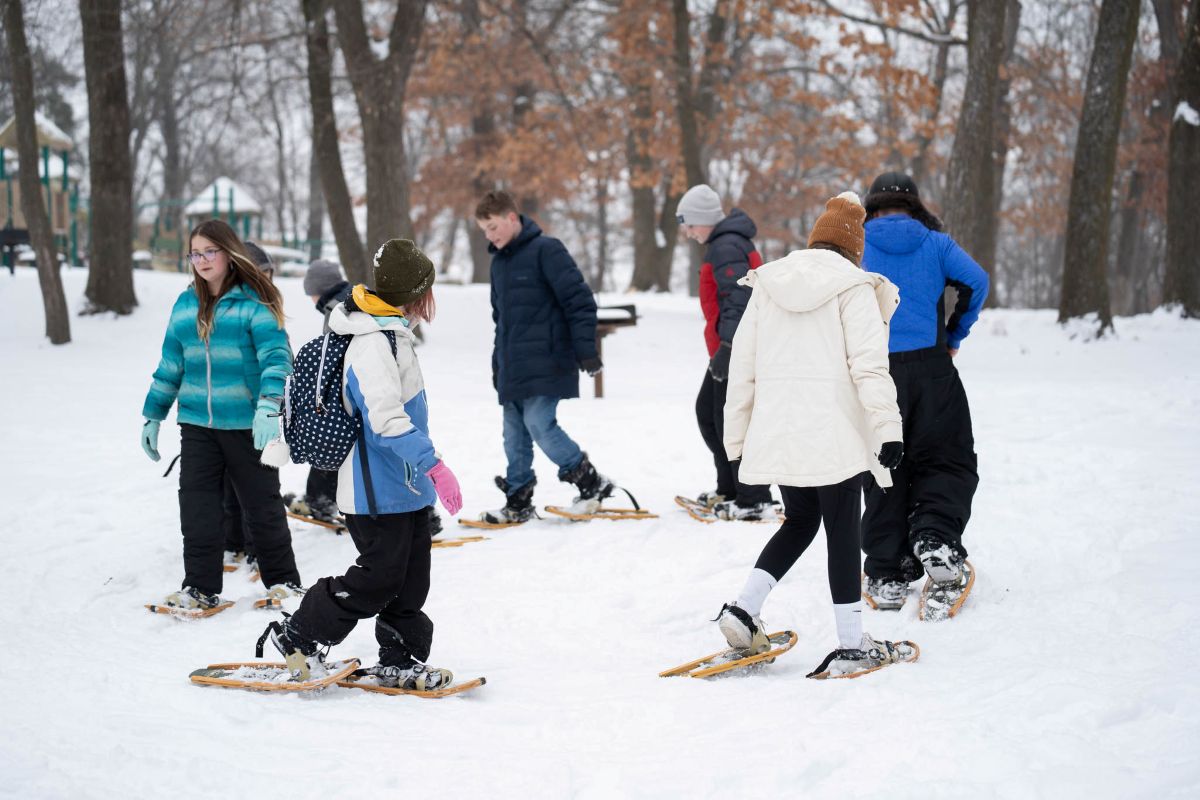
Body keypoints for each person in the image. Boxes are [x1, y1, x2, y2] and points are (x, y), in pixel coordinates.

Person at [716, 191, 911, 676]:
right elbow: (869, 366)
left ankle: (744, 609)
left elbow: (742, 369)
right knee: (842, 526)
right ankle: (852, 642)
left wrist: (735, 440)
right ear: (854, 248)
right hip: (833, 433)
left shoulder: (770, 284)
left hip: (780, 429)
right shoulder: (853, 286)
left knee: (801, 519)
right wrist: (888, 428)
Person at [264, 239, 464, 689]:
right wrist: (434, 465)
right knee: (379, 577)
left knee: (411, 580)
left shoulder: (394, 333)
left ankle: (399, 657)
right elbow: (386, 421)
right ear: (414, 293)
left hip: (406, 485)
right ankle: (299, 635)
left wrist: (423, 473)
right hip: (374, 490)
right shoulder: (372, 342)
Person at [141, 220, 302, 611]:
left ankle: (284, 583)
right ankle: (200, 587)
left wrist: (269, 406)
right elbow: (171, 364)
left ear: (229, 253)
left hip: (248, 424)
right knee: (197, 507)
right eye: (195, 253)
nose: (201, 260)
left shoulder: (254, 302)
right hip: (197, 424)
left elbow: (277, 358)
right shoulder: (186, 304)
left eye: (209, 252)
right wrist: (153, 414)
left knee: (261, 506)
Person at [858, 172, 989, 609]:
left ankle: (886, 571)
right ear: (915, 206)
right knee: (945, 457)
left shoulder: (855, 247)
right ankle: (935, 537)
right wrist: (954, 333)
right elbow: (976, 281)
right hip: (933, 371)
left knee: (882, 466)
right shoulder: (937, 244)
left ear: (871, 207)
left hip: (875, 373)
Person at [473, 190, 616, 523]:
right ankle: (518, 499)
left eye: (493, 227)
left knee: (539, 424)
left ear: (511, 218)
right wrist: (498, 364)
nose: (490, 236)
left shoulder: (547, 250)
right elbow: (501, 321)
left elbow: (579, 301)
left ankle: (590, 482)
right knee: (514, 435)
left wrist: (586, 350)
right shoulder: (499, 264)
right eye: (484, 231)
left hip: (548, 359)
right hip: (514, 366)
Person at [676, 184, 775, 520]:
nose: (688, 232)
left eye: (690, 224)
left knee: (731, 421)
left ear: (704, 219)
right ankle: (731, 488)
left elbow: (739, 297)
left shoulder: (726, 246)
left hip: (736, 348)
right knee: (709, 414)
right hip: (728, 347)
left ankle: (753, 497)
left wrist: (729, 347)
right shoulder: (724, 244)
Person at [280, 258, 355, 524]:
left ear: (319, 289)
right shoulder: (354, 297)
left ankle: (320, 501)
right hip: (359, 386)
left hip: (350, 388)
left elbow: (334, 356)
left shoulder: (338, 309)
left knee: (326, 437)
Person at [222, 240, 277, 567]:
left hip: (261, 412)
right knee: (228, 483)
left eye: (268, 276)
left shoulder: (267, 310)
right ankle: (233, 541)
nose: (265, 282)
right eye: (261, 275)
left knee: (260, 487)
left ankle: (260, 549)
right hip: (228, 412)